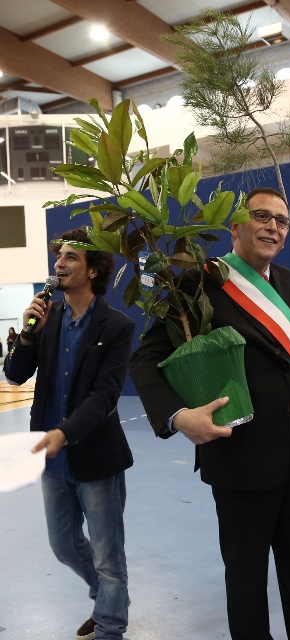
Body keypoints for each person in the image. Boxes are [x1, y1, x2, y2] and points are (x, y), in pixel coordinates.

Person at [129, 187, 290, 640]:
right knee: (246, 582)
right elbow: (146, 358)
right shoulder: (199, 281)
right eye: (262, 216)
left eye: (282, 221)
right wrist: (178, 416)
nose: (273, 227)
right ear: (235, 226)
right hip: (238, 456)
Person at [4, 228, 135, 640]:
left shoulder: (117, 326)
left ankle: (110, 626)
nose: (59, 263)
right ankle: (109, 597)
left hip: (95, 456)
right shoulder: (49, 317)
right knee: (63, 545)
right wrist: (28, 335)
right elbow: (14, 374)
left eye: (71, 257)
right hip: (50, 457)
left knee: (108, 555)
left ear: (93, 270)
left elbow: (105, 395)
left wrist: (65, 431)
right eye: (59, 256)